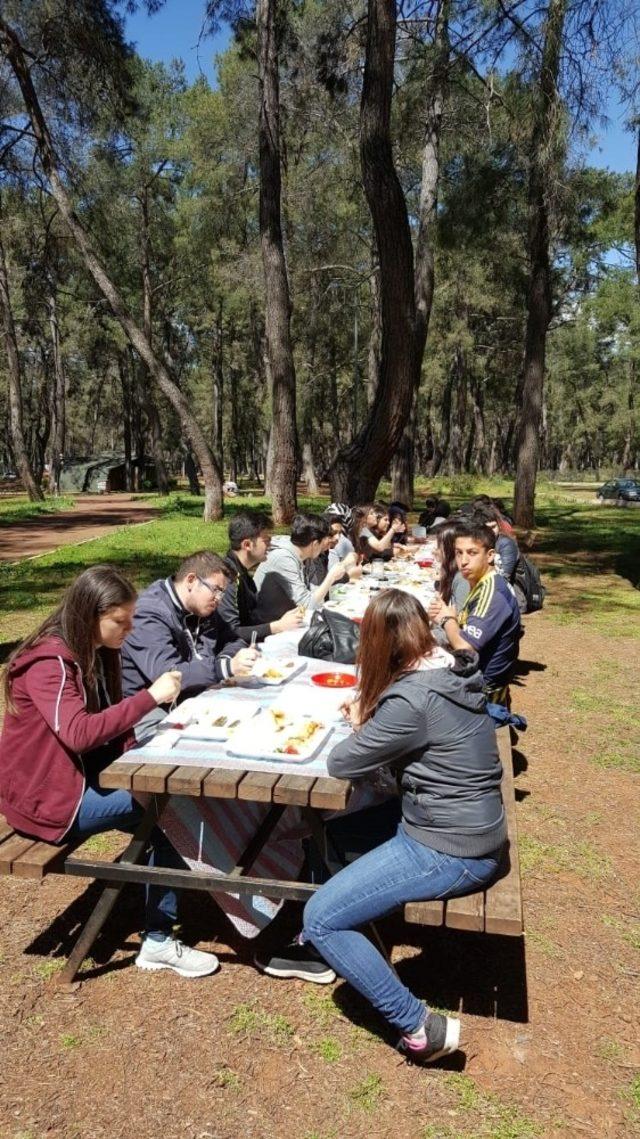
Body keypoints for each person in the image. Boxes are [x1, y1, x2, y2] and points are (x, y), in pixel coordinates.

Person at [296, 590, 505, 1061]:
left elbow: (341, 762)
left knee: (321, 919)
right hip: (470, 826)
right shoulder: (449, 668)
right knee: (328, 835)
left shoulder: (411, 700)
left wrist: (360, 725)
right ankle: (347, 926)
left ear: (377, 642)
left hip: (450, 848)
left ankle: (419, 1027)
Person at [0, 565, 220, 978]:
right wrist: (151, 698)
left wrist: (140, 757)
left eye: (132, 618)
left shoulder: (98, 652)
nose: (129, 628)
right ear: (89, 615)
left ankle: (166, 922)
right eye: (120, 620)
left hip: (75, 781)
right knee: (169, 807)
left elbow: (111, 729)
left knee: (166, 802)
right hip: (47, 801)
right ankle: (158, 941)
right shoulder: (50, 663)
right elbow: (80, 734)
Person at [121, 551, 258, 734]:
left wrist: (226, 659)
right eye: (216, 590)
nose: (219, 599)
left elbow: (234, 639)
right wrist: (224, 667)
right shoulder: (149, 614)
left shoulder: (201, 609)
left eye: (223, 593)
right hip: (148, 711)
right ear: (191, 580)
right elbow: (168, 676)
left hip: (192, 699)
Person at [429, 520, 521, 704]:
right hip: (474, 675)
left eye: (472, 553)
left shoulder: (492, 593)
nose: (463, 561)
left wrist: (446, 619)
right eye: (458, 553)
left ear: (490, 556)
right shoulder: (481, 582)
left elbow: (465, 648)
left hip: (481, 690)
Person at [217, 511, 303, 641]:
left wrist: (282, 620)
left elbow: (250, 617)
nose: (270, 545)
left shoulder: (242, 572)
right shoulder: (228, 579)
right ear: (247, 545)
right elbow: (230, 632)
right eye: (266, 540)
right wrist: (276, 627)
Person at [253, 513, 354, 623]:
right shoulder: (284, 558)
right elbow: (307, 605)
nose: (324, 547)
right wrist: (331, 578)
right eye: (324, 540)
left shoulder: (304, 555)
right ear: (315, 544)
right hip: (267, 625)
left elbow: (310, 592)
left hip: (287, 618)